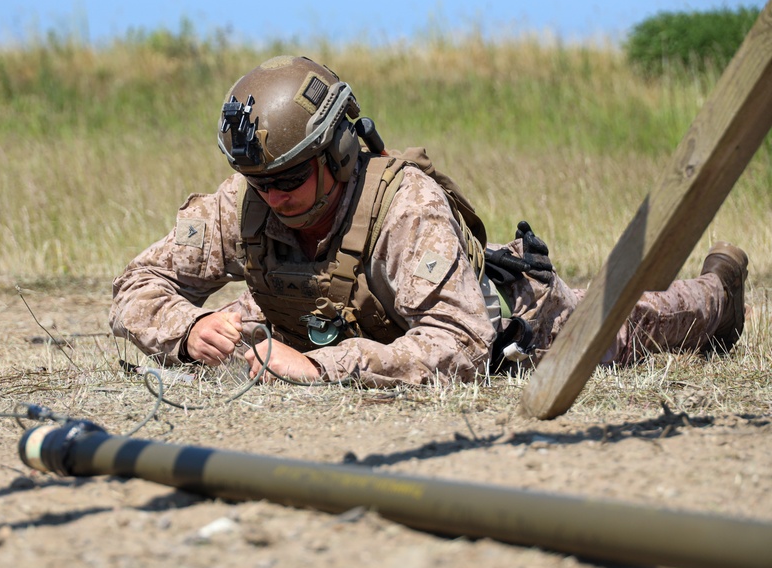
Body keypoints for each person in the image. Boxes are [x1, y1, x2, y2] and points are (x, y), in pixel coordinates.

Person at [110, 55, 748, 388]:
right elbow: (135, 288)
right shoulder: (243, 200)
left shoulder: (402, 205)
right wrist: (190, 329)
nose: (271, 198)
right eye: (259, 183)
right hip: (360, 326)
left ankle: (723, 288)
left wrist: (322, 369)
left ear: (336, 153)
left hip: (518, 319)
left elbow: (462, 346)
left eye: (288, 180)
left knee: (651, 321)